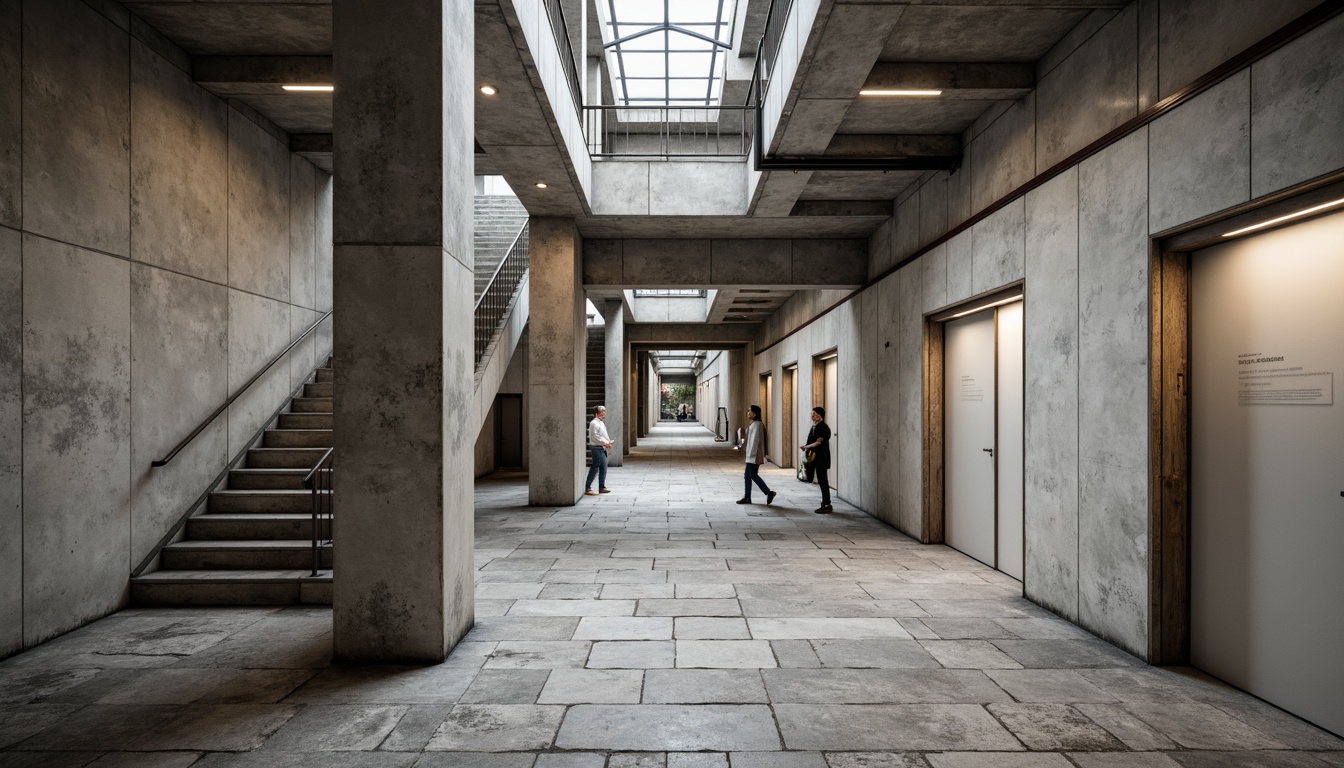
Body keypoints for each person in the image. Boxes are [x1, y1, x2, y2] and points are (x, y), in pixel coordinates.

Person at [737, 405, 776, 505]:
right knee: (747, 476)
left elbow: (755, 441)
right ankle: (747, 497)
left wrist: (751, 455)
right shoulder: (753, 424)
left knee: (752, 475)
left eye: (750, 411)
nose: (748, 413)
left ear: (754, 413)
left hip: (753, 456)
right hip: (751, 455)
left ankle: (768, 492)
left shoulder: (757, 424)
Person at [800, 406, 832, 513]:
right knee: (821, 480)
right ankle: (825, 503)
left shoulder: (823, 428)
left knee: (823, 481)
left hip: (822, 458)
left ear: (819, 416)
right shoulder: (815, 426)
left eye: (813, 414)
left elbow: (818, 443)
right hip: (816, 458)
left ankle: (827, 504)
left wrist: (806, 447)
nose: (811, 416)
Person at [584, 405, 613, 496]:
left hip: (601, 447)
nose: (604, 415)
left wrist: (606, 442)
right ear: (597, 414)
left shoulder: (600, 422)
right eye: (602, 413)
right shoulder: (594, 423)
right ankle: (588, 487)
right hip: (597, 448)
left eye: (604, 413)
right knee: (595, 467)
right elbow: (595, 437)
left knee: (603, 467)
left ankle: (601, 487)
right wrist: (605, 443)